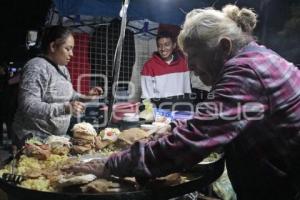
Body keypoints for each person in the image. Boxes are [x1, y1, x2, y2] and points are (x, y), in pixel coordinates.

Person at [65, 5, 300, 200]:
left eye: (195, 57)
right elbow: (213, 117)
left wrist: (111, 164)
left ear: (224, 47)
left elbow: (193, 140)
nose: (191, 68)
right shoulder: (257, 57)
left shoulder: (245, 72)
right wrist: (171, 128)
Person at [12, 25, 103, 147]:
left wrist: (86, 97)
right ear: (53, 46)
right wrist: (64, 108)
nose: (72, 54)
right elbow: (28, 105)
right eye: (68, 49)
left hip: (54, 139)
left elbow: (69, 95)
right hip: (33, 139)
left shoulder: (63, 69)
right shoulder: (36, 67)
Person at [140, 31, 191, 110]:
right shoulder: (148, 66)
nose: (163, 49)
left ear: (174, 45)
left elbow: (187, 91)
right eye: (160, 45)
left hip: (181, 112)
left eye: (167, 45)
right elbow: (146, 97)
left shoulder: (183, 64)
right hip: (160, 113)